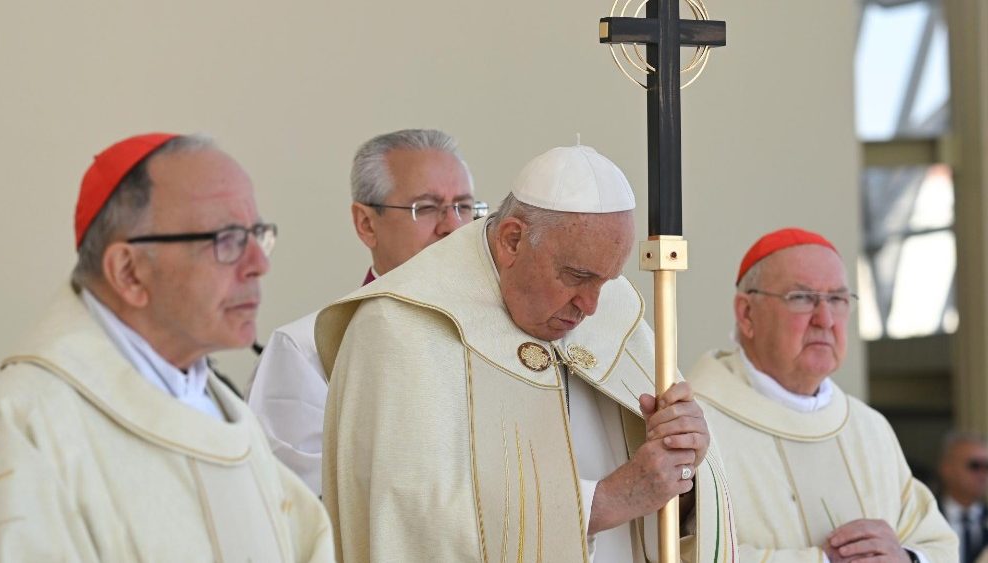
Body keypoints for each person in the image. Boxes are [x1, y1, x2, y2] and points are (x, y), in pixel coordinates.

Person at [317, 145, 737, 562]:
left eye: (607, 281)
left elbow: (658, 513)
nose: (591, 307)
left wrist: (683, 466)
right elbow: (407, 523)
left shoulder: (613, 310)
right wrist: (605, 501)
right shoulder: (398, 327)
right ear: (512, 240)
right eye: (576, 276)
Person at [0, 133, 335, 561]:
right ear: (129, 272)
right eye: (227, 239)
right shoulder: (26, 423)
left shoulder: (228, 416)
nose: (259, 265)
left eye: (256, 234)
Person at [686, 227, 957, 562]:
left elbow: (939, 544)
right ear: (747, 314)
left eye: (838, 300)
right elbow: (678, 552)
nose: (825, 319)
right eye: (801, 298)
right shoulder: (694, 425)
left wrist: (907, 558)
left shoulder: (869, 428)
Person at [247, 129, 486, 495]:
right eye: (425, 207)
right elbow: (302, 508)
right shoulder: (306, 349)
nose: (452, 226)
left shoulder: (505, 336)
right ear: (366, 224)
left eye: (464, 207)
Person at [938, 432, 988, 563]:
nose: (983, 474)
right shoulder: (925, 516)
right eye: (974, 466)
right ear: (947, 468)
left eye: (987, 466)